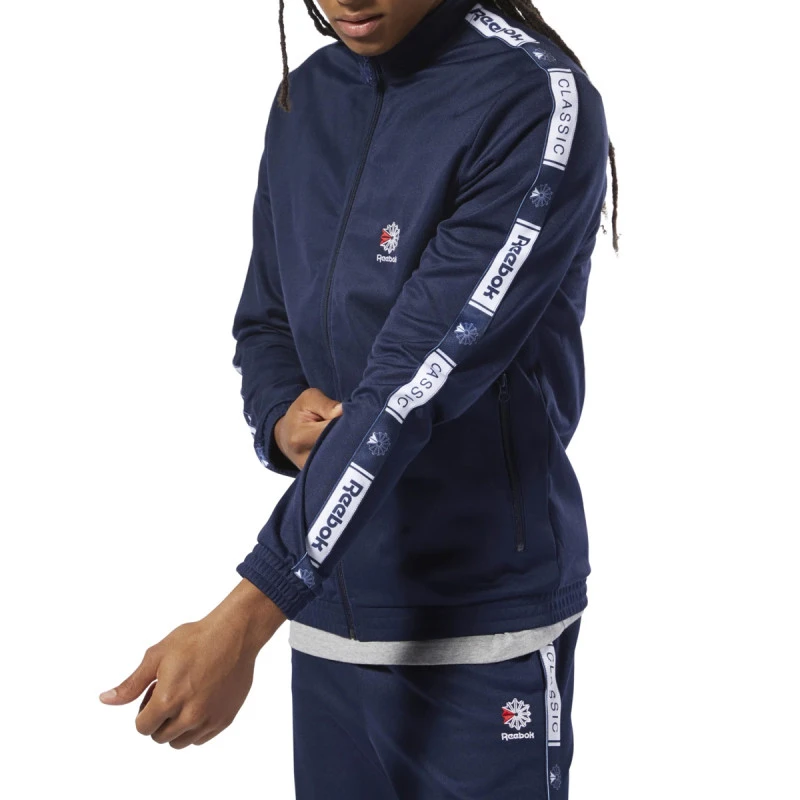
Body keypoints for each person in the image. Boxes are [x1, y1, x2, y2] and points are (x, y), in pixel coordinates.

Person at [99, 1, 619, 797]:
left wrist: (245, 616)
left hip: (480, 627)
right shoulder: (306, 97)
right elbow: (266, 318)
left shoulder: (530, 98)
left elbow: (410, 384)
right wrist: (279, 411)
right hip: (330, 619)